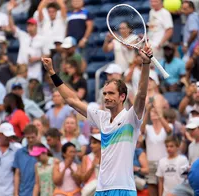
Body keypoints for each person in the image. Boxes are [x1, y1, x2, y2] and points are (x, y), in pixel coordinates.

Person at [41, 42, 152, 195]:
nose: (106, 97)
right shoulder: (102, 118)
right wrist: (53, 73)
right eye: (105, 93)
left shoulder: (131, 117)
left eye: (111, 93)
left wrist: (145, 64)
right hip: (101, 189)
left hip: (124, 189)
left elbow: (141, 95)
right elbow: (71, 101)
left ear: (122, 97)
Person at [140, 102, 172, 196]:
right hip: (151, 163)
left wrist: (160, 115)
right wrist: (147, 111)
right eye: (152, 112)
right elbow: (141, 130)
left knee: (165, 191)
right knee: (152, 192)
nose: (154, 113)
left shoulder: (167, 126)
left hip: (165, 162)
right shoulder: (148, 128)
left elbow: (169, 131)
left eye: (156, 111)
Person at [13, 124, 38, 196]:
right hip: (23, 192)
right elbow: (17, 174)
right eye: (28, 138)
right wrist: (16, 193)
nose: (30, 140)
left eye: (33, 137)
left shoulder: (43, 152)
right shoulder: (19, 153)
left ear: (37, 136)